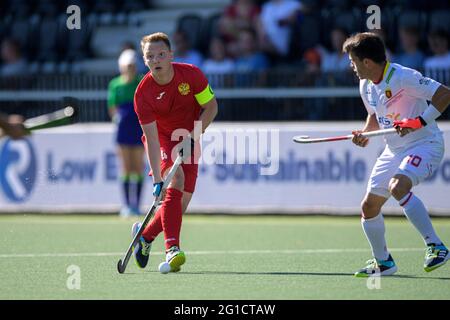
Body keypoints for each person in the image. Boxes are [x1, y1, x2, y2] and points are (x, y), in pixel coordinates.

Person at [342, 32, 450, 277]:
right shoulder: (365, 84)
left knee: (397, 186)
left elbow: (445, 94)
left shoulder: (403, 76)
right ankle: (384, 262)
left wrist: (418, 121)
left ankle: (436, 246)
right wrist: (365, 135)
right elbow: (374, 117)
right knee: (369, 206)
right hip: (394, 149)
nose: (351, 66)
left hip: (425, 143)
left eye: (353, 61)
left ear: (367, 62)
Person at [132, 32, 218, 272]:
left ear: (171, 55)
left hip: (189, 137)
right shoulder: (142, 94)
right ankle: (172, 249)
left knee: (178, 207)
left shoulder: (191, 75)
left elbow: (211, 107)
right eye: (150, 56)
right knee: (175, 181)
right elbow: (150, 137)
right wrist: (158, 178)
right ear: (144, 60)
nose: (156, 59)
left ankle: (145, 236)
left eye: (161, 54)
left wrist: (193, 136)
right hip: (161, 139)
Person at [107, 49, 145, 217]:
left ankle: (136, 205)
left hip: (138, 127)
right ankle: (127, 206)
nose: (130, 69)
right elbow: (112, 106)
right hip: (123, 129)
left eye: (132, 66)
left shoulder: (140, 82)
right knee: (126, 168)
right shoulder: (116, 84)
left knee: (137, 167)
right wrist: (117, 118)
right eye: (127, 66)